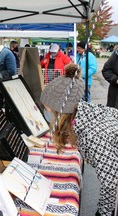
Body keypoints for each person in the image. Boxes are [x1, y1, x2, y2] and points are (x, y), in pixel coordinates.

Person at [40, 63, 118, 216]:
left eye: (50, 111)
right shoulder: (88, 114)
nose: (48, 116)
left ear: (61, 114)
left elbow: (110, 183)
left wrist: (102, 213)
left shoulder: (94, 135)